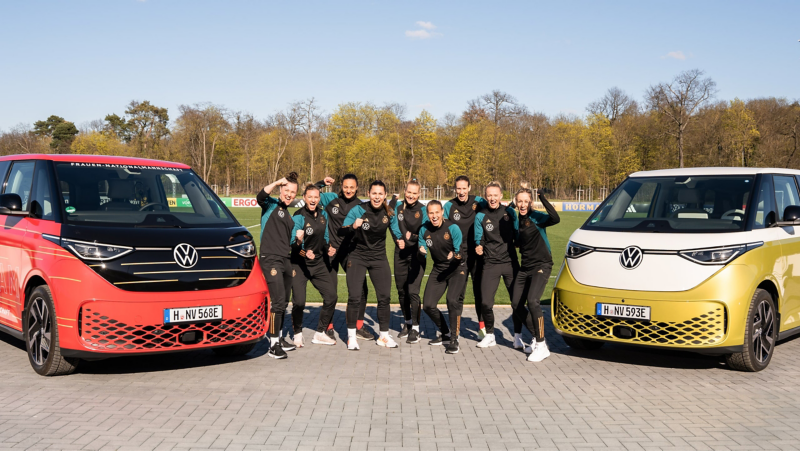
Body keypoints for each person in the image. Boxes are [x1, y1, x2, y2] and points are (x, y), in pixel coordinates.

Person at [340, 180, 401, 350]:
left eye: (380, 194)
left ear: (385, 196)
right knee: (354, 297)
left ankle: (383, 336)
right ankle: (351, 337)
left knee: (384, 297)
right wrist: (353, 226)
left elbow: (396, 232)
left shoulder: (389, 211)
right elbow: (341, 230)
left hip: (378, 258)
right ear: (368, 193)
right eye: (374, 193)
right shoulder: (359, 209)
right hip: (357, 256)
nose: (377, 197)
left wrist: (401, 240)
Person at [315, 175, 374, 340]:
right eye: (346, 187)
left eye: (352, 187)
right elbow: (310, 194)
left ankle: (359, 326)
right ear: (341, 186)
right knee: (331, 291)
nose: (348, 190)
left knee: (362, 289)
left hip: (351, 253)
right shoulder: (331, 199)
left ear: (357, 188)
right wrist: (321, 183)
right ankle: (329, 327)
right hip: (330, 251)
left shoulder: (361, 206)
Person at [511, 187, 559, 362]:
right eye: (520, 201)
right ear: (516, 202)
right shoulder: (519, 218)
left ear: (530, 202)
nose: (522, 204)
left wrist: (542, 198)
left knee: (532, 301)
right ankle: (536, 337)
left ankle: (541, 345)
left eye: (526, 201)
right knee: (516, 304)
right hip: (525, 267)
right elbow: (520, 240)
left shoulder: (536, 216)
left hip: (541, 265)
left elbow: (555, 218)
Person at [288, 184, 339, 347]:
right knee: (299, 302)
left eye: (316, 197)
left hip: (318, 264)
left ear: (319, 198)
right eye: (310, 197)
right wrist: (301, 246)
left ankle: (320, 333)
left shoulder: (323, 215)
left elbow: (324, 238)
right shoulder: (298, 216)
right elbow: (292, 245)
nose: (313, 200)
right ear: (304, 198)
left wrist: (328, 248)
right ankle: (297, 333)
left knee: (331, 296)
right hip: (299, 265)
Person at [258, 172, 300, 360]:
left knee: (283, 302)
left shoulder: (290, 218)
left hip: (286, 260)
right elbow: (261, 196)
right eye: (287, 190)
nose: (289, 194)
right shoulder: (270, 205)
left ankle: (280, 337)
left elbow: (291, 244)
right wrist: (276, 182)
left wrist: (299, 240)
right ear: (281, 190)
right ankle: (273, 345)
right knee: (277, 301)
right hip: (270, 259)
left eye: (293, 192)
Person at [417, 200, 466, 354]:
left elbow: (461, 253)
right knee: (428, 305)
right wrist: (421, 249)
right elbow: (421, 245)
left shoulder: (453, 228)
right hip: (438, 269)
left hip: (457, 269)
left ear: (442, 212)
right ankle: (445, 332)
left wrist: (454, 255)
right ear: (427, 214)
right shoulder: (424, 229)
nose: (434, 216)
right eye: (431, 213)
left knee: (452, 301)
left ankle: (454, 338)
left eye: (437, 212)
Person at [474, 181, 518, 348]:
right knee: (485, 302)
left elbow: (517, 234)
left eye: (495, 195)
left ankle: (518, 336)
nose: (492, 198)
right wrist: (478, 246)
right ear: (486, 197)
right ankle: (490, 334)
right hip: (490, 264)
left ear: (501, 196)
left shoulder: (510, 213)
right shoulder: (480, 216)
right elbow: (479, 238)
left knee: (517, 303)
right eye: (489, 195)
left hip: (510, 263)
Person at [443, 176, 487, 338]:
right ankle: (456, 329)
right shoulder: (449, 206)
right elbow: (444, 229)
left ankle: (482, 328)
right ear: (455, 189)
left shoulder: (480, 202)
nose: (461, 192)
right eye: (458, 189)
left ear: (469, 188)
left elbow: (492, 213)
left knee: (479, 292)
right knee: (458, 294)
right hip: (459, 256)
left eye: (464, 188)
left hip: (477, 254)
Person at [390, 179, 428, 343]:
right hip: (400, 254)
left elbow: (426, 233)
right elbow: (393, 226)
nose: (411, 195)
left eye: (414, 193)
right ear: (404, 191)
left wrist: (411, 238)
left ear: (419, 194)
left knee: (413, 291)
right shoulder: (398, 208)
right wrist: (398, 239)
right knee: (401, 290)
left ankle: (416, 328)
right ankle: (407, 323)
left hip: (417, 255)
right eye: (408, 192)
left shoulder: (423, 210)